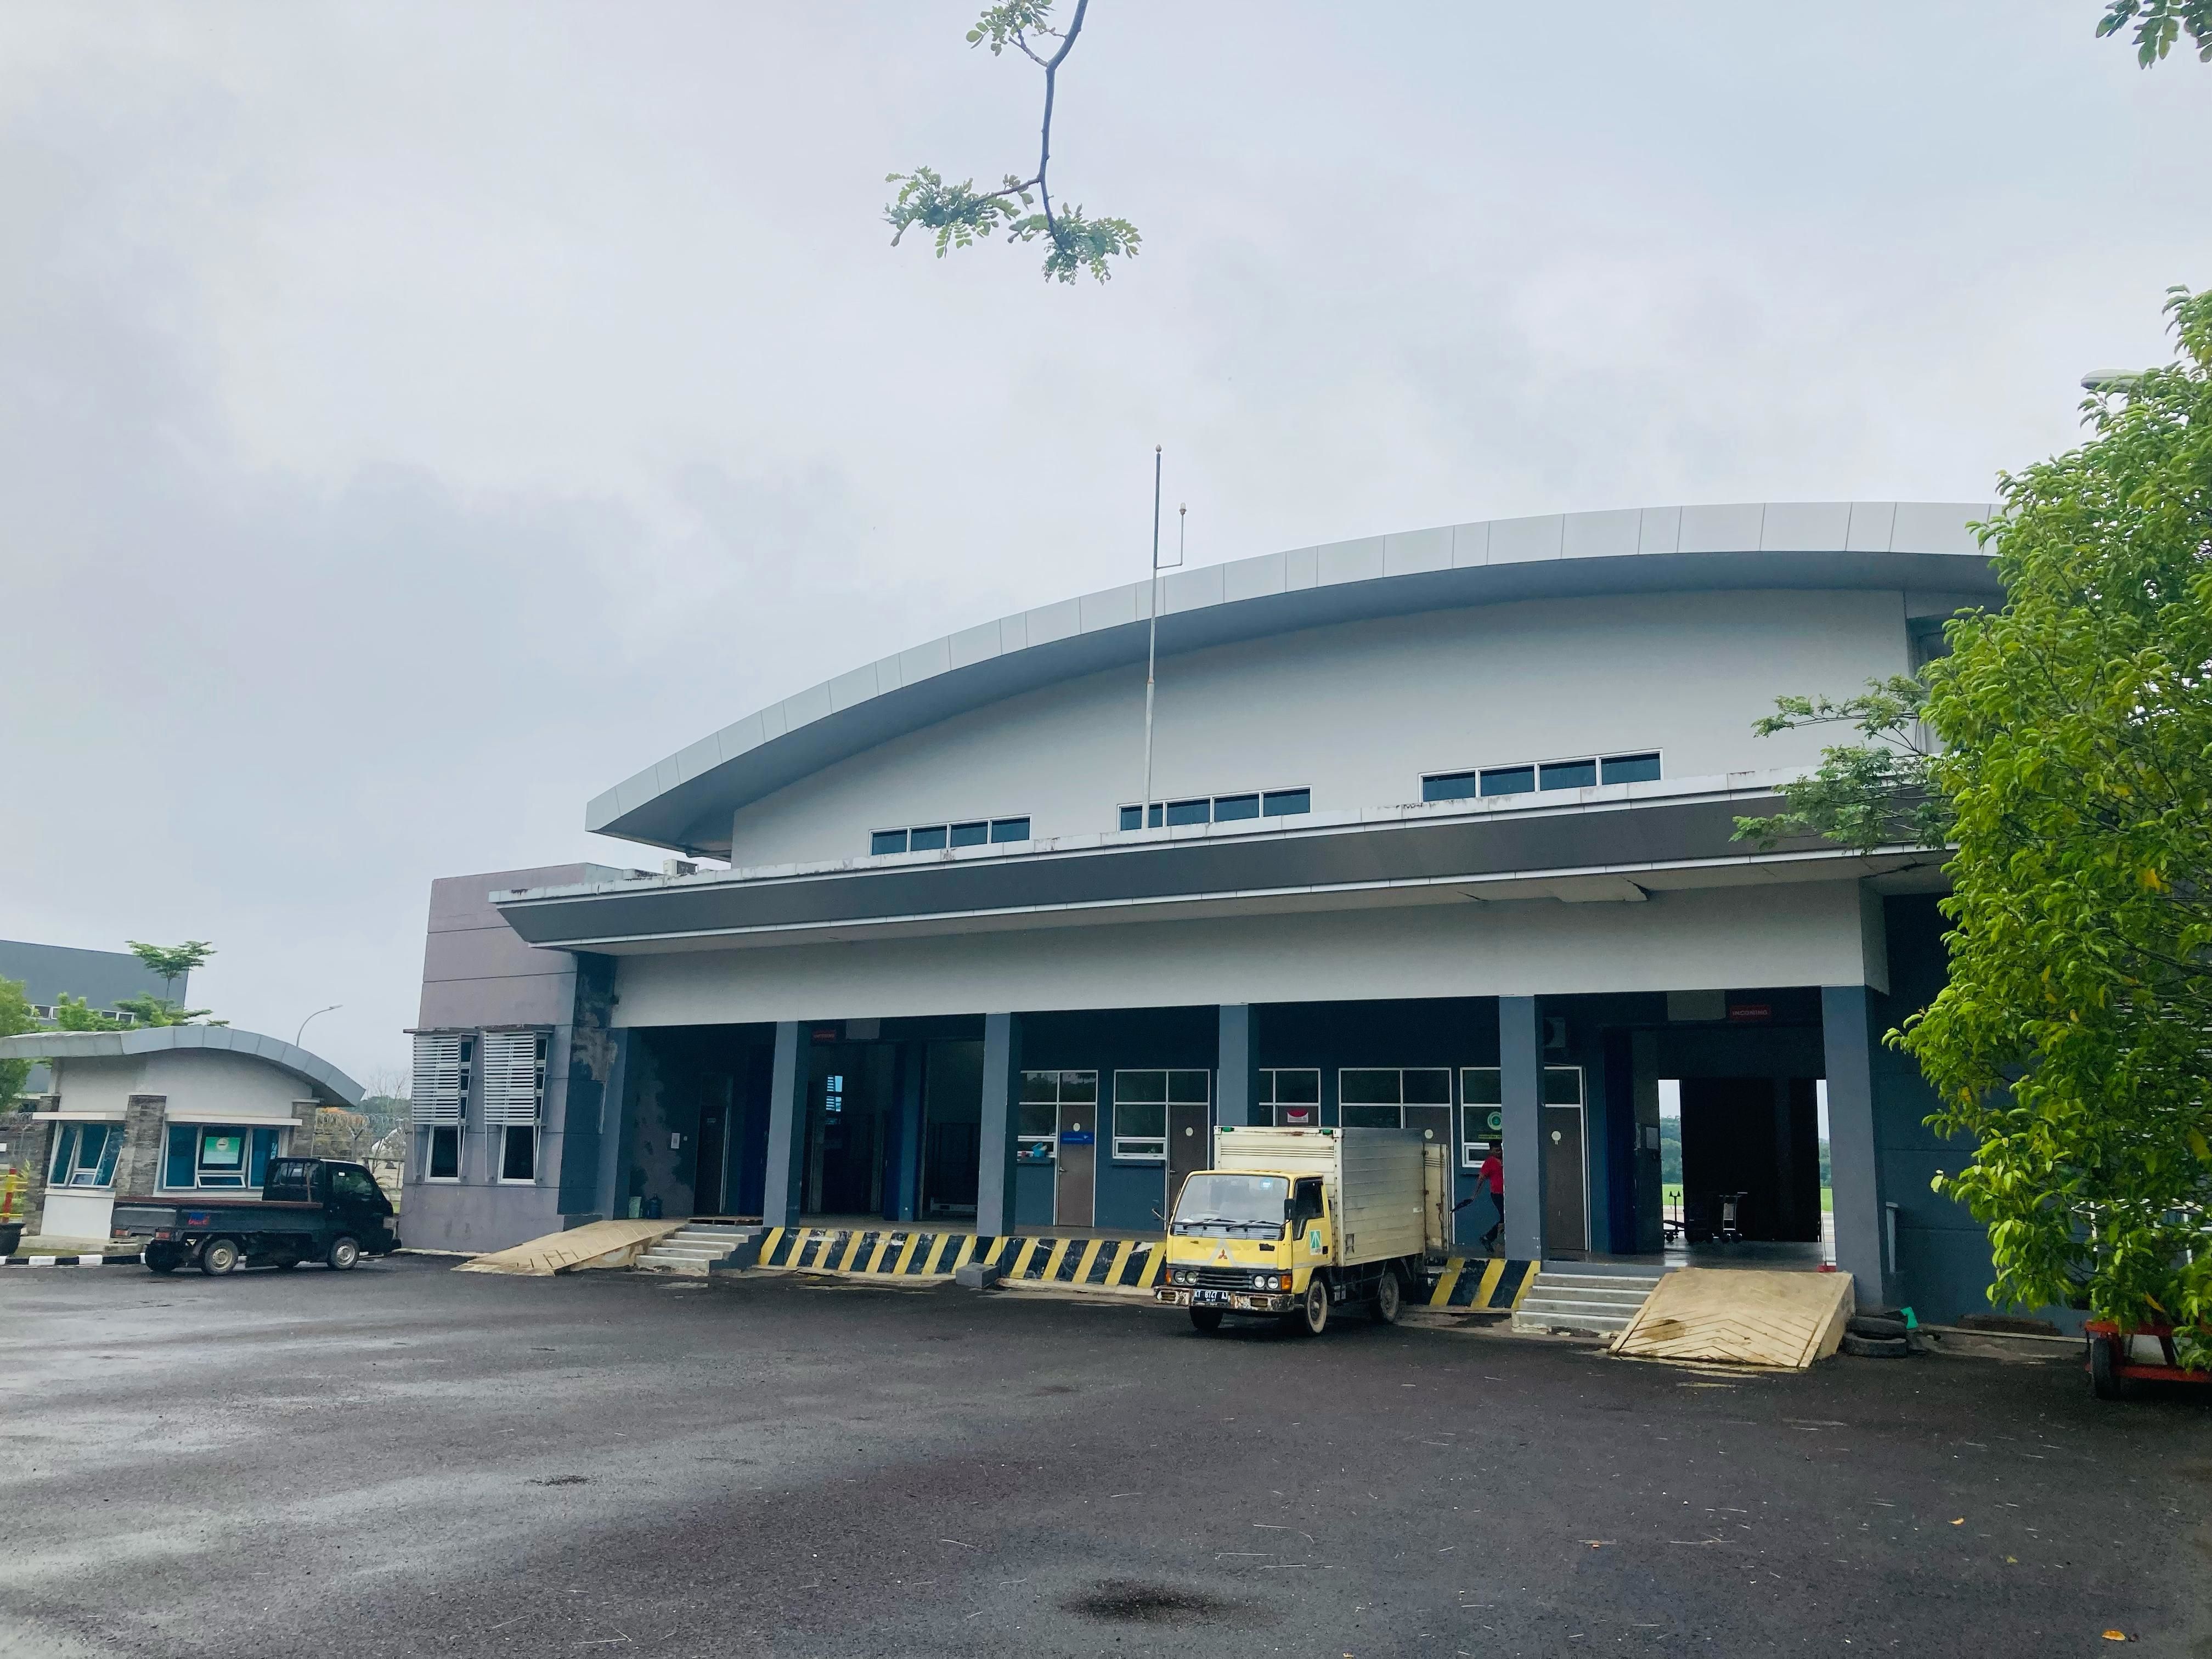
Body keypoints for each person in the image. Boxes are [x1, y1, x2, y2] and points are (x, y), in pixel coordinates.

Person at [1477, 1146, 1505, 1254]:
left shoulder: (1506, 1159)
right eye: (1496, 1150)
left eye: (1500, 1150)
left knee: (1507, 1218)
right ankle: (1489, 1238)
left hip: (1508, 1194)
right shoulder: (1490, 1162)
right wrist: (1475, 1194)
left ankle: (1488, 1238)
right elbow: (1481, 1177)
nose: (1499, 1152)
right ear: (1491, 1151)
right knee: (1506, 1218)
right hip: (1497, 1194)